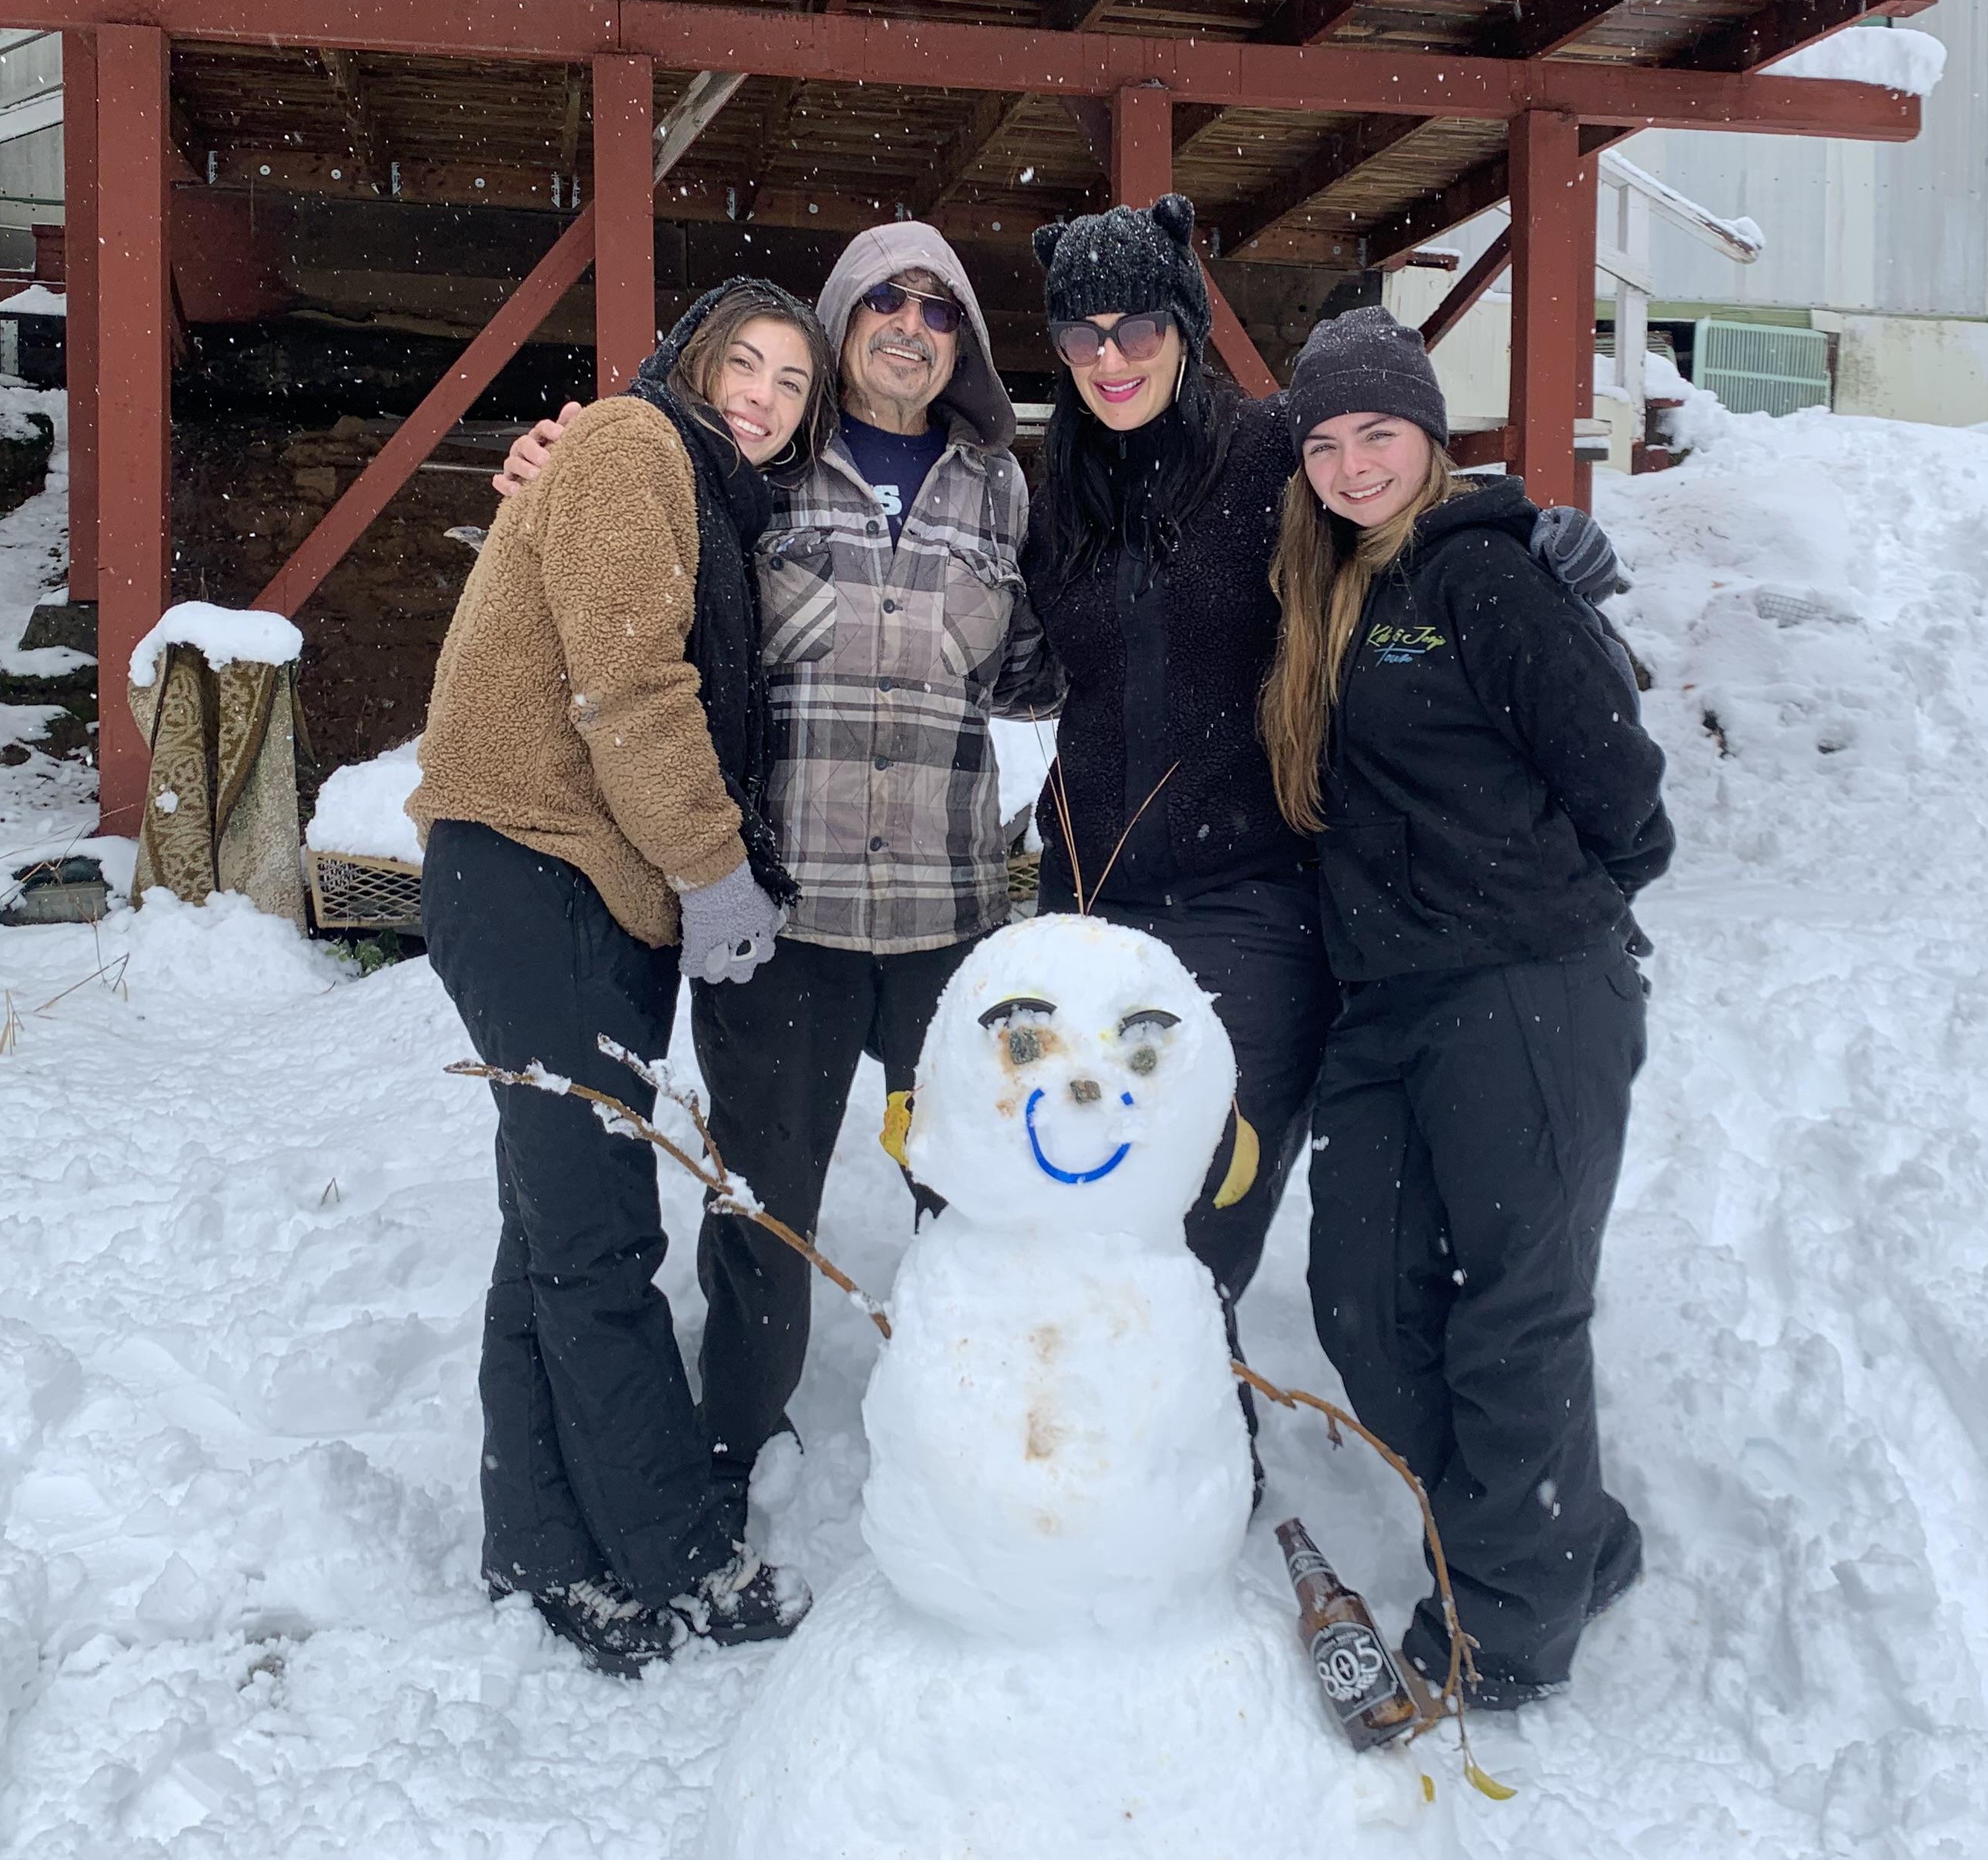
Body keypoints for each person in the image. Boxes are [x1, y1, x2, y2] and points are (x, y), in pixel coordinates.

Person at [495, 224, 1055, 1511]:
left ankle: (980, 1438)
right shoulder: (752, 472)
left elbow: (1041, 662)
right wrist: (552, 460)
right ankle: (736, 1440)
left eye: (941, 309)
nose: (912, 324)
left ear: (960, 344)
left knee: (975, 1201)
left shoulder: (1005, 492)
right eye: (884, 303)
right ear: (843, 322)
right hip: (783, 916)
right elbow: (624, 541)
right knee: (763, 1212)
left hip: (948, 919)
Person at [409, 279, 837, 1676]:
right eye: (746, 362)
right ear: (690, 360)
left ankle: (542, 1544)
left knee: (549, 1229)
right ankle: (678, 1556)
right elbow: (629, 683)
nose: (763, 396)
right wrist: (717, 871)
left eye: (792, 382)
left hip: (570, 886)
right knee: (600, 1243)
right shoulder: (635, 449)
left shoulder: (701, 494)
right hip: (539, 874)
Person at [1261, 308, 1675, 1714]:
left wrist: (1542, 914)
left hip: (1526, 989)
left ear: (1433, 439)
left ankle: (1507, 1624)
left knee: (1514, 1311)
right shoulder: (1335, 588)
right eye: (1324, 441)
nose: (1352, 463)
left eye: (1379, 433)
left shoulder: (1487, 578)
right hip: (1387, 1002)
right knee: (1361, 1297)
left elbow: (1626, 795)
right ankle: (1572, 1540)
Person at [1016, 194, 1330, 1341]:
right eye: (1081, 336)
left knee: (1214, 1181)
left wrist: (1508, 532)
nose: (1110, 359)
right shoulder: (1060, 494)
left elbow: (1394, 500)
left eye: (1137, 329)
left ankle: (1193, 1412)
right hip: (1090, 890)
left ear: (1186, 330)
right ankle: (1100, 1419)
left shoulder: (1274, 452)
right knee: (1080, 1170)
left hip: (1245, 884)